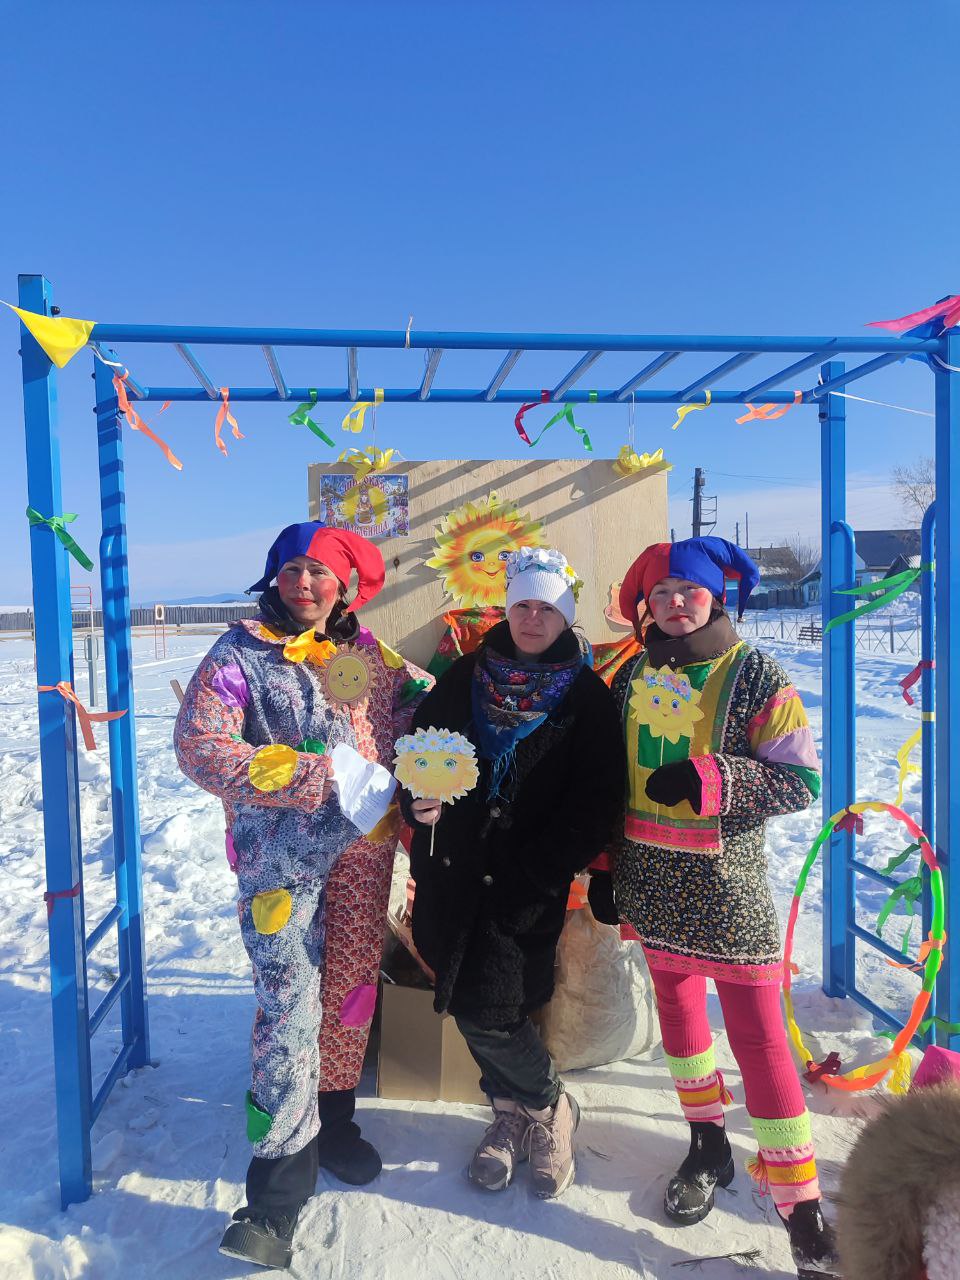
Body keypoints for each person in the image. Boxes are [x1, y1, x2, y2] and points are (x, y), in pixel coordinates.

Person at [174, 522, 432, 1271]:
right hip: (280, 866)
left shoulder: (371, 654)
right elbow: (200, 747)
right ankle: (276, 1192)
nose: (305, 584)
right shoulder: (240, 653)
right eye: (292, 569)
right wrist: (317, 775)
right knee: (289, 1004)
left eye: (321, 572)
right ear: (273, 576)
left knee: (350, 993)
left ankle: (335, 1119)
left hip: (363, 856)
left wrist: (427, 762)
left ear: (345, 585)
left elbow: (421, 708)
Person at [589, 537, 841, 1280]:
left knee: (760, 1039)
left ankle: (800, 1208)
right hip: (650, 881)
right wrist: (603, 866)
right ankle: (707, 1144)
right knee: (679, 1020)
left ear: (716, 596)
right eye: (661, 593)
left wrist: (712, 779)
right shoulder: (631, 675)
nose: (675, 603)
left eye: (689, 591)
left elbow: (800, 781)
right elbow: (608, 780)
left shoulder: (755, 672)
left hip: (727, 892)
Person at [401, 547, 625, 1199]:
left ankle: (550, 1108)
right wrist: (417, 799)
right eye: (522, 605)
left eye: (545, 608)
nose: (531, 618)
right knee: (468, 990)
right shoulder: (465, 677)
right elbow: (420, 754)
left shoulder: (585, 696)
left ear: (565, 617)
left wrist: (540, 866)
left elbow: (597, 799)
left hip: (524, 880)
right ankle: (512, 1112)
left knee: (495, 1005)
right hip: (451, 869)